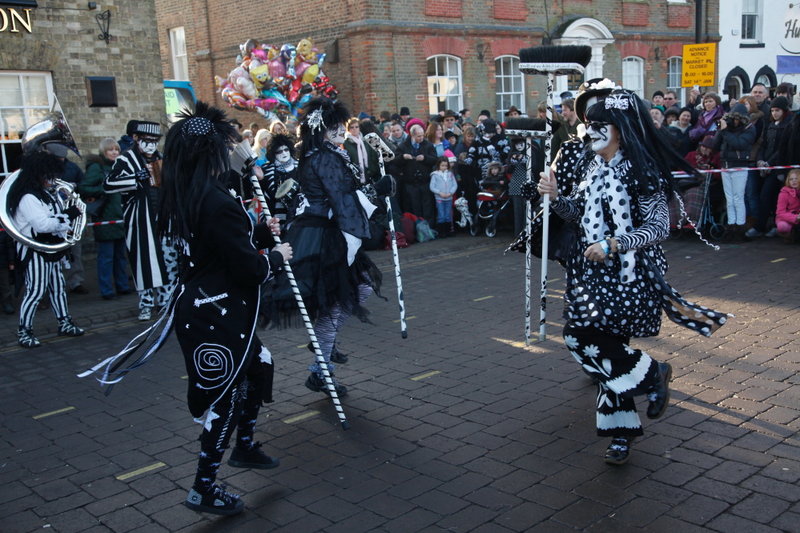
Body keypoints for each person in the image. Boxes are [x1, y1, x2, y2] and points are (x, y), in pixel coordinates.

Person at [535, 88, 728, 466]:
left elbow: (658, 226)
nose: (589, 133)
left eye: (598, 126)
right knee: (596, 347)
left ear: (620, 129)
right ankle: (637, 402)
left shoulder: (642, 169)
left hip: (627, 276)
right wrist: (556, 197)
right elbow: (578, 214)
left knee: (592, 343)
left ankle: (637, 405)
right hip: (588, 272)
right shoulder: (592, 166)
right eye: (588, 126)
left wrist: (615, 244)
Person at [155, 102, 290, 515]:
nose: (233, 151)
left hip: (216, 309)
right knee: (224, 399)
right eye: (225, 146)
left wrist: (261, 234)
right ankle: (204, 488)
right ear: (211, 151)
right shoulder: (213, 200)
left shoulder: (199, 192)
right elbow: (247, 268)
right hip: (214, 314)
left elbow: (231, 246)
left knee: (260, 363)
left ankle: (245, 446)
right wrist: (276, 255)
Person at [271, 97, 382, 396]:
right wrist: (373, 202)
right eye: (333, 130)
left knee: (355, 291)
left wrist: (370, 193)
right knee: (339, 299)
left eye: (341, 129)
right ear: (320, 131)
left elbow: (343, 193)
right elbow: (341, 198)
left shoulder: (319, 154)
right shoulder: (325, 157)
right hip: (324, 237)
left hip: (322, 231)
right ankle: (321, 369)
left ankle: (323, 347)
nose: (340, 134)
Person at [7, 131, 85, 348]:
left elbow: (59, 223)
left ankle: (64, 322)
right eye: (49, 175)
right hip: (35, 250)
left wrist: (65, 218)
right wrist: (67, 216)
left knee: (58, 287)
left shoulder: (47, 194)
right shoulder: (28, 198)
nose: (53, 180)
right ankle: (24, 330)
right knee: (36, 290)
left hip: (52, 248)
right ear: (38, 174)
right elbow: (43, 224)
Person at [105, 120, 177, 320]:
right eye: (147, 141)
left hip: (163, 218)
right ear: (136, 139)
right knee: (142, 262)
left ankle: (165, 301)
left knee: (167, 261)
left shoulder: (161, 159)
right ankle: (145, 304)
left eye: (155, 141)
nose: (151, 145)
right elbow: (108, 184)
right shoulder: (126, 159)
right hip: (139, 220)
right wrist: (134, 178)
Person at [80, 138, 131, 300]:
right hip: (105, 218)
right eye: (111, 150)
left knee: (120, 257)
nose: (115, 152)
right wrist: (104, 188)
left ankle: (122, 286)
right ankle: (107, 290)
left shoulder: (119, 166)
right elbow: (84, 188)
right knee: (106, 258)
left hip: (120, 217)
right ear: (104, 152)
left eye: (116, 149)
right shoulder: (97, 167)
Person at [747, 96, 793, 238]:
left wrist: (769, 163)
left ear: (784, 111)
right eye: (772, 110)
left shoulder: (789, 125)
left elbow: (782, 148)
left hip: (777, 167)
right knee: (765, 196)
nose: (774, 113)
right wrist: (760, 160)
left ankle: (766, 225)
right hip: (764, 166)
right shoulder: (770, 125)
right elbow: (763, 145)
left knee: (768, 196)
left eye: (777, 110)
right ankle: (766, 224)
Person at [713, 103, 757, 241]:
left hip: (739, 166)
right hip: (726, 165)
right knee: (729, 199)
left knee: (738, 198)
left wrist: (725, 132)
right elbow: (715, 146)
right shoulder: (727, 130)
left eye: (738, 119)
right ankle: (731, 225)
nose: (735, 121)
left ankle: (740, 226)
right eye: (734, 118)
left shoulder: (749, 129)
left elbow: (739, 144)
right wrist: (720, 130)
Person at [396, 123, 437, 222]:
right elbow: (395, 161)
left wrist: (425, 158)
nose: (421, 138)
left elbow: (435, 159)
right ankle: (416, 230)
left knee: (427, 207)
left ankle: (429, 229)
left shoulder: (428, 145)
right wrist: (403, 157)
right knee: (413, 208)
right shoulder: (403, 146)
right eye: (419, 136)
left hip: (425, 181)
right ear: (412, 135)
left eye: (423, 135)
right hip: (410, 183)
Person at [429, 156, 457, 236]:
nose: (444, 167)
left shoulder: (450, 174)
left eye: (446, 165)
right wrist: (439, 193)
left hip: (449, 197)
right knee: (441, 215)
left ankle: (448, 231)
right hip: (439, 198)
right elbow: (432, 187)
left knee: (448, 214)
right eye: (442, 165)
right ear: (438, 165)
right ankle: (441, 232)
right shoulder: (435, 175)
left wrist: (450, 193)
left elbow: (454, 185)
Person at [776, 168, 800, 241]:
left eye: (796, 178)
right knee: (782, 226)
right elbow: (780, 213)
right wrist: (796, 217)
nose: (793, 181)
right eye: (791, 179)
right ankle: (789, 235)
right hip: (788, 217)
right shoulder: (783, 193)